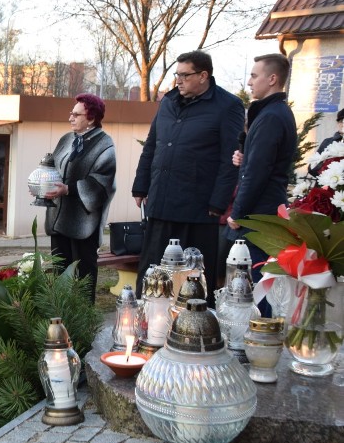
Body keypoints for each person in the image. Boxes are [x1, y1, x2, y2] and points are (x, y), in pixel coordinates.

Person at [132, 50, 243, 305]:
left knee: (192, 279)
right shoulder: (168, 102)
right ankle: (148, 323)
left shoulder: (228, 106)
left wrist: (218, 202)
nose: (178, 80)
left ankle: (193, 332)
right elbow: (152, 146)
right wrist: (141, 186)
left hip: (198, 207)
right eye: (177, 74)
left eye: (185, 75)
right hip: (160, 201)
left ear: (203, 76)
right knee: (153, 272)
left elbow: (230, 158)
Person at [226, 53, 297, 315]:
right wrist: (243, 158)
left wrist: (238, 212)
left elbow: (258, 173)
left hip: (259, 213)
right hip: (265, 207)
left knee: (256, 280)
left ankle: (260, 336)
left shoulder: (271, 117)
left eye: (255, 76)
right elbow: (257, 162)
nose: (249, 82)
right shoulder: (273, 113)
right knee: (256, 278)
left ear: (273, 78)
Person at [43, 93, 116, 302]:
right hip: (58, 219)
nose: (70, 118)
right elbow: (52, 167)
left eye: (76, 114)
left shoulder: (105, 144)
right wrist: (42, 186)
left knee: (84, 276)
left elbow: (103, 182)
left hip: (84, 223)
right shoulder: (67, 139)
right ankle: (59, 319)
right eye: (71, 113)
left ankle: (84, 322)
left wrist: (68, 189)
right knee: (59, 274)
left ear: (91, 118)